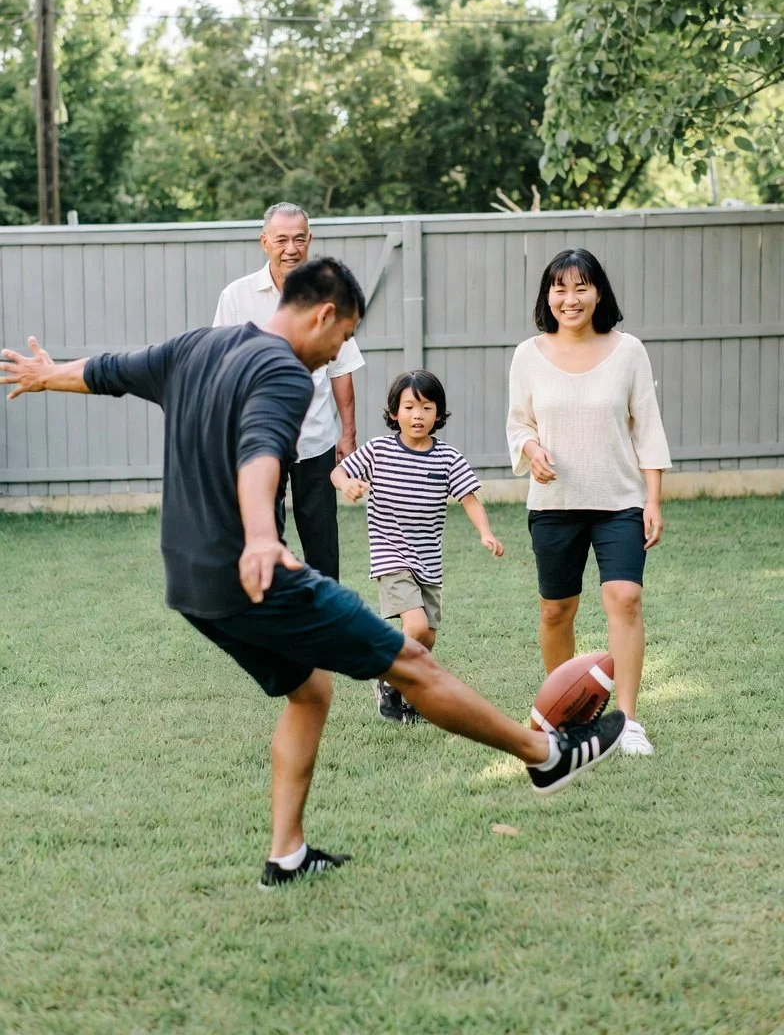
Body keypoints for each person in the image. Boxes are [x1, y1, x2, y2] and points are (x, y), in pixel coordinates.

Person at [1, 257, 626, 889]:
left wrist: (48, 375)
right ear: (325, 314)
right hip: (254, 574)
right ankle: (544, 755)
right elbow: (259, 453)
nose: (335, 355)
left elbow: (107, 371)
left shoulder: (195, 347)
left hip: (189, 582)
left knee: (311, 690)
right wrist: (259, 536)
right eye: (343, 337)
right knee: (411, 662)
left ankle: (287, 854)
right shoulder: (282, 371)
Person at [506, 247, 671, 757]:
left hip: (620, 500)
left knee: (625, 598)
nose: (570, 298)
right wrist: (531, 449)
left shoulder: (629, 351)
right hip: (554, 503)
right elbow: (519, 424)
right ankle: (566, 717)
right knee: (557, 610)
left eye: (581, 287)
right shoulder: (528, 354)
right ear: (547, 296)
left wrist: (653, 499)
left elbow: (648, 428)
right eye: (560, 288)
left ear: (599, 293)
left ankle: (628, 721)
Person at [332, 370, 504, 724]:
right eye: (409, 407)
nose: (417, 415)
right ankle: (392, 679)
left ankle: (398, 685)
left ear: (438, 413)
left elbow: (470, 499)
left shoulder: (448, 458)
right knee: (415, 626)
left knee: (426, 638)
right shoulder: (379, 450)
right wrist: (346, 484)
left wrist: (485, 533)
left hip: (429, 561)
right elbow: (338, 472)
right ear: (394, 412)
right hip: (391, 555)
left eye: (426, 407)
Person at [213, 202, 364, 581]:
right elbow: (221, 368)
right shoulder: (236, 297)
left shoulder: (330, 296)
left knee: (323, 546)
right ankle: (271, 610)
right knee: (263, 539)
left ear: (310, 240)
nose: (291, 249)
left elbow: (341, 370)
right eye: (281, 240)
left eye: (299, 239)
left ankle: (325, 612)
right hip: (259, 443)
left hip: (316, 441)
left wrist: (348, 434)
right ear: (264, 242)